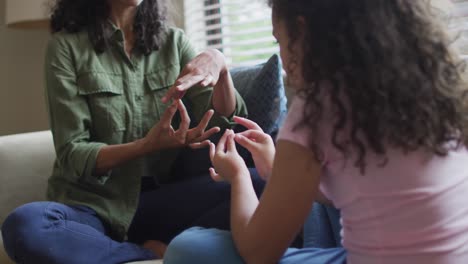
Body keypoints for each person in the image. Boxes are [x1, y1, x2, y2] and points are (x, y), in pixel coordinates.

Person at [164, 0, 468, 263]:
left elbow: (259, 254)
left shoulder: (317, 108)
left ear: (302, 31)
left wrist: (239, 175)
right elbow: (376, 194)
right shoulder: (436, 85)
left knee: (187, 247)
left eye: (279, 42)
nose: (283, 58)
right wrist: (273, 170)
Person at [0, 0, 265, 263]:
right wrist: (147, 145)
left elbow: (226, 121)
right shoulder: (65, 47)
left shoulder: (174, 43)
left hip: (160, 201)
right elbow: (73, 153)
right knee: (25, 226)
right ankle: (145, 252)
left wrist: (220, 66)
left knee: (260, 185)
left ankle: (108, 251)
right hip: (92, 207)